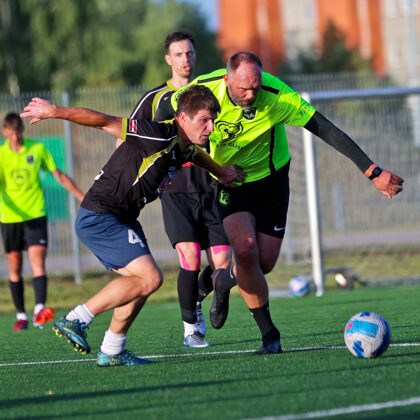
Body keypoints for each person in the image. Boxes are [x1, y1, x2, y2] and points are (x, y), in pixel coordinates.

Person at [164, 51, 404, 354]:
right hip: (230, 182)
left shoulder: (277, 95)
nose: (250, 95)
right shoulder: (203, 88)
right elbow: (166, 110)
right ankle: (270, 335)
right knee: (245, 250)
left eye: (255, 87)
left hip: (272, 181)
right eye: (243, 89)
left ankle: (222, 280)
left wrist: (373, 172)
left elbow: (324, 128)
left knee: (263, 264)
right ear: (226, 79)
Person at [21, 85, 245, 367]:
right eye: (204, 120)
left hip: (122, 218)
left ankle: (112, 349)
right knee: (150, 278)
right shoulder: (158, 134)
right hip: (101, 216)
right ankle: (77, 318)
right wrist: (56, 111)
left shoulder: (183, 145)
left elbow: (194, 155)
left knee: (142, 284)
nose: (210, 127)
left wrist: (221, 172)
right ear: (182, 117)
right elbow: (103, 121)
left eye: (212, 120)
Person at [127, 30, 236, 348]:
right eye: (178, 54)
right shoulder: (155, 98)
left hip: (211, 186)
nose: (185, 59)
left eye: (189, 53)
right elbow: (129, 138)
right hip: (175, 190)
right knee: (189, 257)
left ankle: (203, 292)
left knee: (223, 261)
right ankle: (192, 328)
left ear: (195, 55)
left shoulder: (210, 90)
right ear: (168, 59)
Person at [0, 112, 84, 332]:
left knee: (38, 262)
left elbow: (59, 175)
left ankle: (39, 311)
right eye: (11, 133)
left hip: (35, 213)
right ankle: (21, 315)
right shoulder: (1, 155)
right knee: (15, 266)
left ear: (22, 130)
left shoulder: (37, 149)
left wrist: (81, 197)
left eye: (19, 132)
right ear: (5, 132)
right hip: (9, 217)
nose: (16, 137)